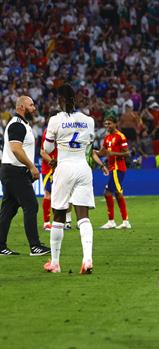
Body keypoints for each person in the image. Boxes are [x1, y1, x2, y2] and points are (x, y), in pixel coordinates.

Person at [42, 84, 96, 273]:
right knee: (83, 216)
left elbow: (47, 150)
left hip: (64, 166)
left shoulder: (55, 120)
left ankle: (55, 263)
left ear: (60, 100)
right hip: (83, 166)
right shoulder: (88, 120)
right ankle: (87, 259)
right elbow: (90, 143)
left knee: (58, 214)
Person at [0, 96, 50, 256]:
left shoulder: (23, 125)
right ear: (21, 107)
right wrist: (31, 166)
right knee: (31, 206)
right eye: (31, 105)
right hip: (15, 171)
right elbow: (15, 148)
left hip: (11, 171)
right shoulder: (17, 124)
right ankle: (35, 246)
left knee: (9, 209)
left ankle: (0, 245)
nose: (34, 108)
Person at [99, 112, 131, 230]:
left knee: (114, 193)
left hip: (118, 168)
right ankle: (115, 221)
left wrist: (114, 153)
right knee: (110, 193)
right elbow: (103, 152)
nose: (107, 126)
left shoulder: (120, 136)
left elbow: (127, 153)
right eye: (106, 123)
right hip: (112, 169)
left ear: (115, 124)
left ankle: (123, 221)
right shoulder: (107, 138)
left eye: (109, 123)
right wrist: (92, 151)